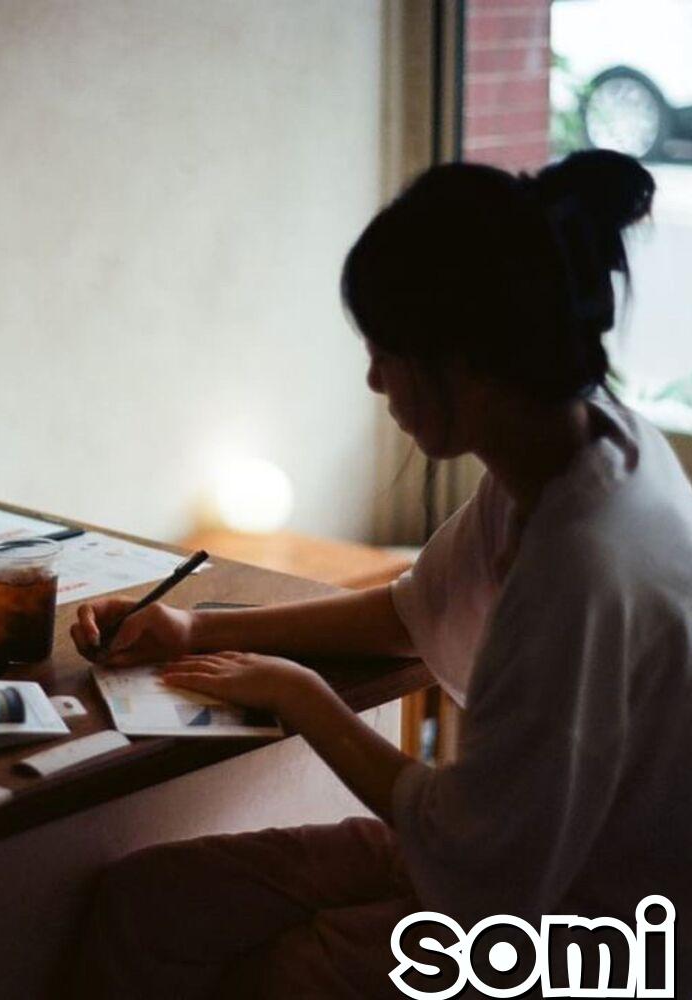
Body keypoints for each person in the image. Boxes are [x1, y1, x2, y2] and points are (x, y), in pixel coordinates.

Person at [70, 150, 692, 998]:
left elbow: (476, 869)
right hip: (515, 862)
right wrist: (194, 627)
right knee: (145, 905)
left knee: (276, 976)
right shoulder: (580, 446)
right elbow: (410, 613)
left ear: (462, 361)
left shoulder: (579, 570)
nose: (373, 380)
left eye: (383, 352)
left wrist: (303, 697)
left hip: (591, 932)